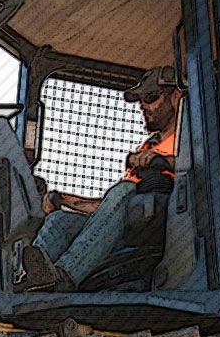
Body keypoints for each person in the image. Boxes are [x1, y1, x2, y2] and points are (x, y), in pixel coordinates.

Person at [25, 65, 183, 289]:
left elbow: (206, 167)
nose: (143, 106)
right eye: (141, 100)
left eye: (151, 98)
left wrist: (164, 161)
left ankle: (65, 277)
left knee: (125, 189)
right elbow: (111, 210)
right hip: (121, 230)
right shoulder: (149, 146)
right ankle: (28, 284)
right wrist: (66, 200)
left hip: (164, 235)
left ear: (176, 97)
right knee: (58, 221)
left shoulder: (192, 137)